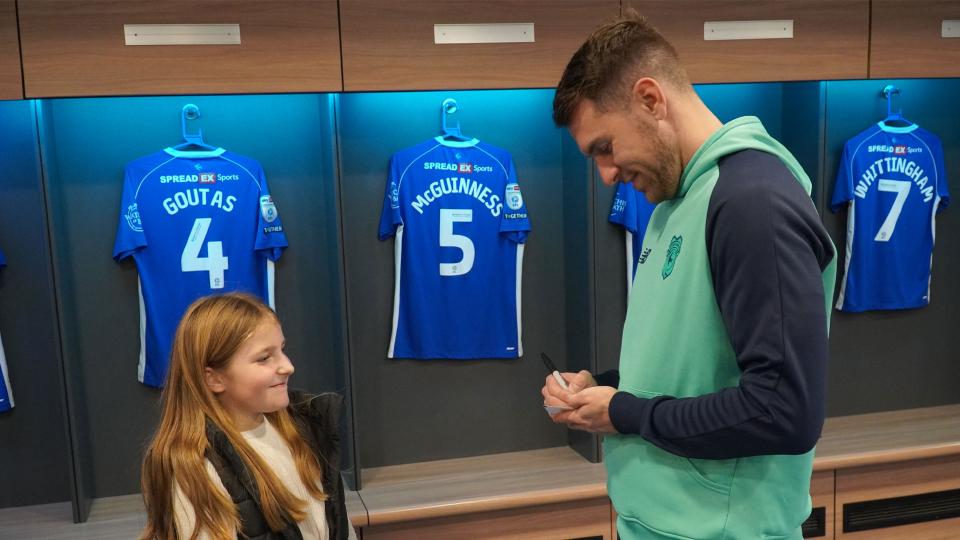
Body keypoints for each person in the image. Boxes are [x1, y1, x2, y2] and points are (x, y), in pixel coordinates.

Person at [543, 11, 837, 540]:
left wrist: (626, 412)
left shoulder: (751, 202)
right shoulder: (675, 204)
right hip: (660, 523)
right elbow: (693, 368)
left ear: (650, 99)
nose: (605, 175)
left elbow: (783, 411)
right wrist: (605, 390)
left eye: (604, 147)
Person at [140, 292, 356, 540]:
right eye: (264, 358)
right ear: (214, 378)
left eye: (282, 350)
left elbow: (338, 521)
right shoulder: (197, 469)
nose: (288, 366)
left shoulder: (308, 427)